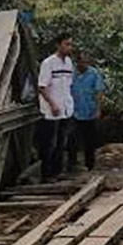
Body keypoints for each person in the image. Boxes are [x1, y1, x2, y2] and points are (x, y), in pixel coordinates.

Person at [37, 33, 75, 183]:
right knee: (49, 143)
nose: (69, 47)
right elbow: (42, 86)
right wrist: (52, 104)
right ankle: (47, 174)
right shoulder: (48, 63)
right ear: (58, 45)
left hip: (65, 106)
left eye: (70, 44)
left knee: (61, 141)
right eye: (66, 44)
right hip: (51, 109)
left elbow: (68, 85)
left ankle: (58, 171)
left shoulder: (68, 63)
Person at [70, 51, 105, 171]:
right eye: (82, 62)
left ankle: (90, 164)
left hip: (89, 110)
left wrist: (98, 109)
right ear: (77, 62)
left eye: (86, 62)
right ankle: (72, 163)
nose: (84, 64)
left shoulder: (94, 73)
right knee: (72, 138)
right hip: (73, 110)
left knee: (90, 140)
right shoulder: (71, 73)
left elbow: (99, 92)